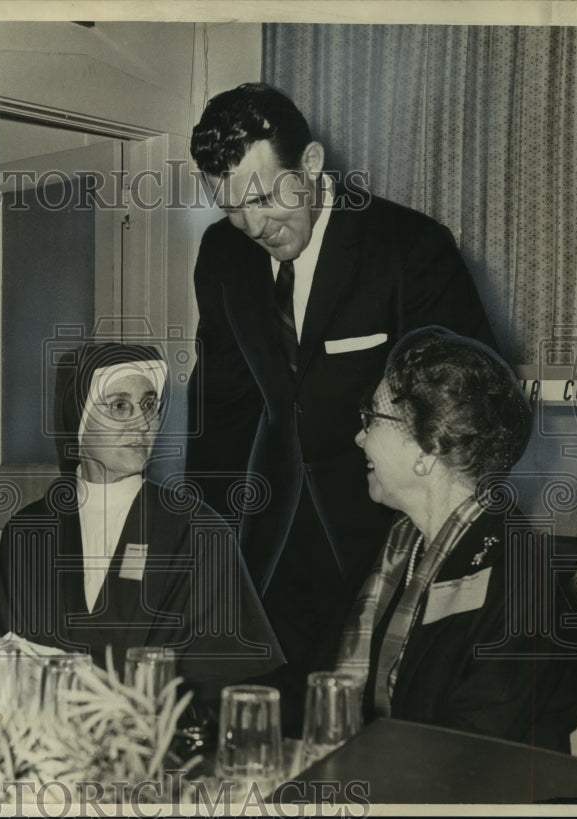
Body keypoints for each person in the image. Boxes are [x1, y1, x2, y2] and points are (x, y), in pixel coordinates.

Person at [185, 82, 498, 712]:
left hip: (384, 536)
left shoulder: (411, 248)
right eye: (231, 208)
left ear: (311, 165)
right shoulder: (221, 254)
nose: (252, 226)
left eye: (266, 198)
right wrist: (205, 539)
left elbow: (471, 406)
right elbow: (218, 404)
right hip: (264, 542)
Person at [0, 342, 284, 701]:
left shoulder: (197, 528)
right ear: (77, 415)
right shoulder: (28, 531)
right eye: (120, 406)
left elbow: (233, 674)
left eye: (150, 405)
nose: (142, 422)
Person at [334, 326, 577, 752]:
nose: (359, 437)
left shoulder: (519, 583)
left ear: (427, 451)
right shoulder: (398, 550)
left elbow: (470, 755)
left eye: (371, 419)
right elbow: (319, 681)